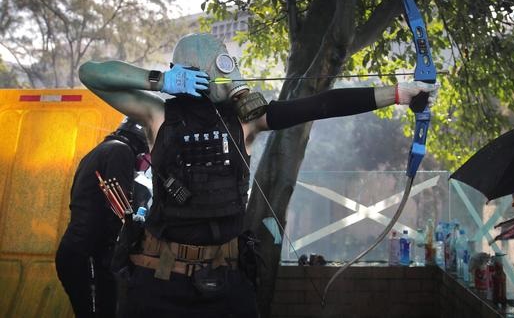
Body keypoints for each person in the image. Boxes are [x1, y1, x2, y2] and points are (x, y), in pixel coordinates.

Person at [78, 32, 438, 318]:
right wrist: (159, 80)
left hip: (226, 282)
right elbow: (91, 73)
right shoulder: (157, 114)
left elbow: (320, 105)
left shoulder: (246, 120)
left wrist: (398, 94)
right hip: (159, 282)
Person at [56, 118, 150, 318]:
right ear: (139, 142)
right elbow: (119, 208)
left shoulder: (99, 151)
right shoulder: (121, 151)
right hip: (87, 253)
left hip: (78, 251)